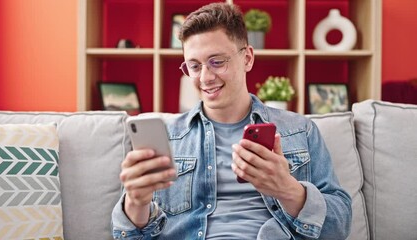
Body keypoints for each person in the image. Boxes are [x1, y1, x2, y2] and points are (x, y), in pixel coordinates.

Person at [112, 2, 352, 239]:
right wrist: (136, 202)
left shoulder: (300, 130)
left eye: (217, 61)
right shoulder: (167, 138)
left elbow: (340, 226)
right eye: (194, 66)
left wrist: (289, 190)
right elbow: (127, 235)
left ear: (247, 58)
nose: (205, 78)